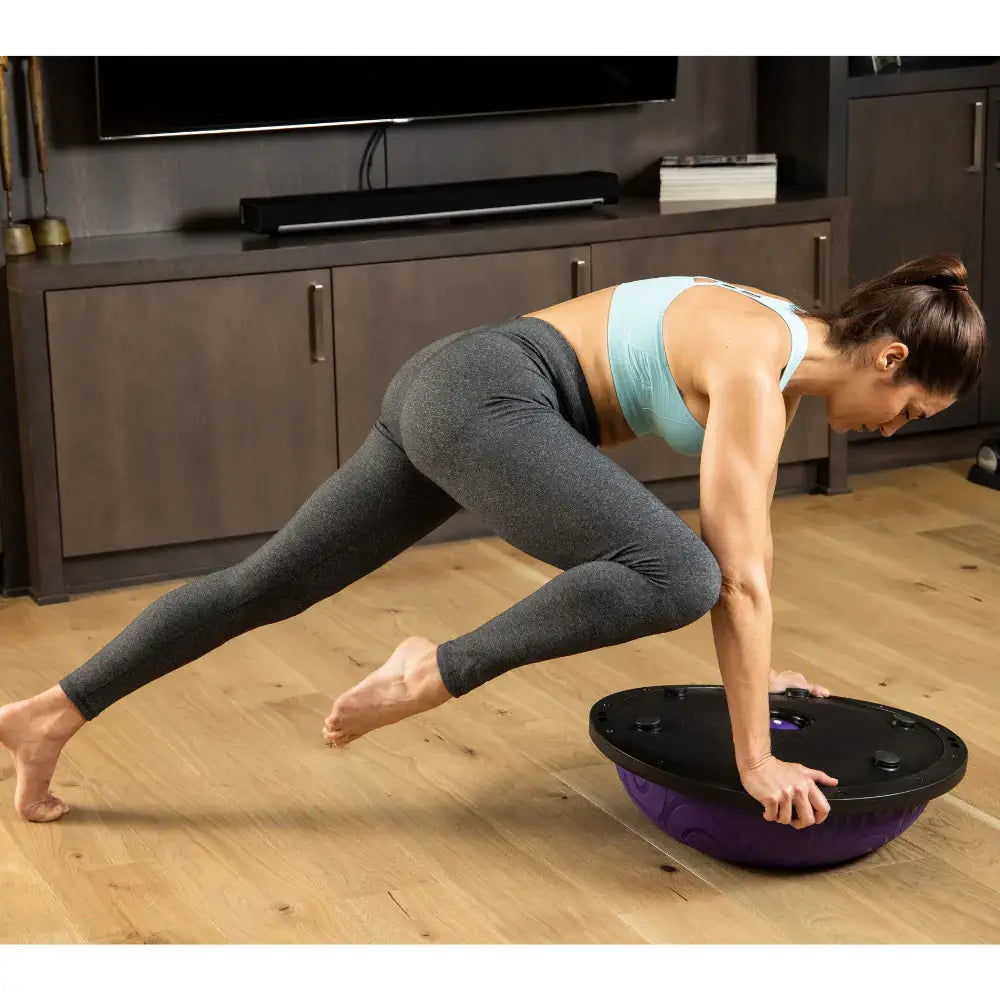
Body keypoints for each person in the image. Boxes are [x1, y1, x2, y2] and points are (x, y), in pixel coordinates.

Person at [0, 253, 986, 828]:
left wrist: (757, 679)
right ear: (887, 355)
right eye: (908, 406)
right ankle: (433, 669)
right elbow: (727, 575)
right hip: (488, 396)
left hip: (453, 386)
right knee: (675, 569)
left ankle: (48, 715)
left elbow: (749, 571)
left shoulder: (769, 339)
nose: (894, 426)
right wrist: (754, 761)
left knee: (266, 583)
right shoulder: (754, 359)